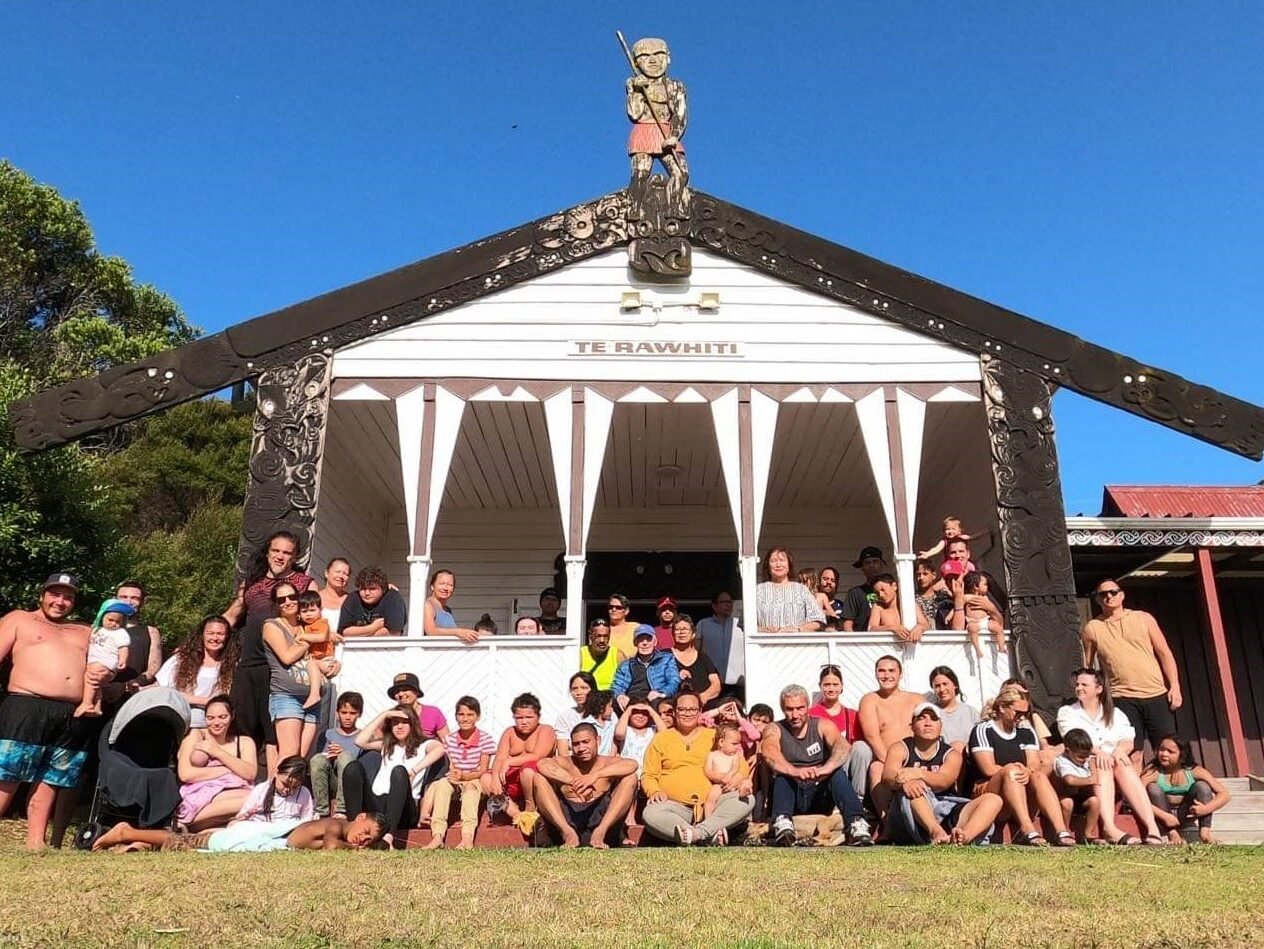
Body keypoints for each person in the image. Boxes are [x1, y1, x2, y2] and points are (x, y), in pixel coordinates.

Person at [0, 573, 101, 850]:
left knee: (52, 778)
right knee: (7, 776)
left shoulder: (83, 631)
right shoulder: (20, 619)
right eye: (55, 594)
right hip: (26, 705)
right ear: (42, 595)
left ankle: (36, 842)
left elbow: (106, 664)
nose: (60, 601)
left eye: (67, 597)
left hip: (72, 712)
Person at [225, 531, 316, 772]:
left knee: (273, 731)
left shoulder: (304, 583)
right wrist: (196, 639)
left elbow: (314, 620)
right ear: (267, 552)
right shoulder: (252, 583)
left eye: (286, 553)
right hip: (249, 663)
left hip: (280, 666)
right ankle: (244, 780)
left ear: (294, 557)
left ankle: (272, 786)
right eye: (276, 550)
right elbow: (232, 615)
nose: (280, 556)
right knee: (243, 723)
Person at [1056, 667, 1166, 845]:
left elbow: (1128, 738)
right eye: (1077, 684)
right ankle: (1109, 827)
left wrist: (1119, 750)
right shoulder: (1068, 712)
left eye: (1084, 684)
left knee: (1123, 764)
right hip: (1083, 763)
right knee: (1103, 764)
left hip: (1114, 762)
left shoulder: (1115, 713)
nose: (1079, 688)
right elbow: (1073, 739)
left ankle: (1152, 828)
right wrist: (1099, 751)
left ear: (1099, 689)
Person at [1081, 578, 1182, 763]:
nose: (1109, 597)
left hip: (1156, 693)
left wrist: (1175, 686)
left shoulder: (1143, 618)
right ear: (1097, 600)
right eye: (1103, 594)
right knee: (1132, 751)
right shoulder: (1092, 628)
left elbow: (1164, 653)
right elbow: (1087, 667)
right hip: (1121, 697)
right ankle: (1135, 792)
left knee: (1167, 748)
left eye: (1113, 592)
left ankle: (1172, 789)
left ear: (1122, 595)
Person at [761, 684, 873, 847]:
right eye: (790, 709)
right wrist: (794, 771)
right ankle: (782, 823)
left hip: (818, 790)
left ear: (808, 707)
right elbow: (768, 750)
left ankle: (857, 823)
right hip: (791, 793)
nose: (795, 714)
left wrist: (825, 769)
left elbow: (841, 745)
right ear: (782, 709)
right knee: (782, 777)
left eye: (800, 708)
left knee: (836, 774)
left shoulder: (821, 725)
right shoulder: (775, 728)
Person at [641, 690, 754, 846]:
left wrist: (738, 777)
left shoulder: (714, 735)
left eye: (693, 709)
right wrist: (654, 791)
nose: (688, 713)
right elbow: (648, 775)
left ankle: (698, 833)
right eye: (682, 709)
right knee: (651, 813)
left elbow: (740, 761)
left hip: (715, 804)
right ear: (674, 712)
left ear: (700, 711)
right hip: (675, 808)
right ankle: (708, 833)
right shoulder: (661, 739)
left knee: (746, 800)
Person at [881, 702, 1003, 845]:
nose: (928, 723)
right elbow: (887, 775)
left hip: (946, 805)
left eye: (933, 719)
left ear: (941, 726)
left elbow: (944, 781)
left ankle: (964, 837)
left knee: (993, 799)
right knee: (916, 788)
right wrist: (904, 782)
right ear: (912, 726)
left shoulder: (951, 754)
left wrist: (918, 773)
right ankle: (936, 832)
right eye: (921, 718)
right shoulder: (900, 748)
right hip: (911, 812)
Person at [966, 684, 1074, 846]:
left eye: (1025, 713)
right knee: (1011, 771)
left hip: (1019, 788)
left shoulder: (1026, 731)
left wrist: (1027, 770)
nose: (1022, 717)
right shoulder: (984, 730)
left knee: (1038, 775)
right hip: (990, 792)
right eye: (1018, 712)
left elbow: (1033, 764)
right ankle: (1026, 828)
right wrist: (1016, 769)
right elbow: (987, 768)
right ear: (1002, 707)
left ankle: (1060, 829)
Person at [342, 705, 445, 843]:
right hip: (378, 805)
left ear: (412, 724)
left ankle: (388, 837)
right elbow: (359, 741)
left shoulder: (424, 744)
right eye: (395, 723)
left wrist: (414, 771)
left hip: (404, 809)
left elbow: (440, 749)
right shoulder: (387, 745)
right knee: (352, 768)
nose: (399, 727)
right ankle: (352, 827)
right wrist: (384, 714)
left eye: (404, 722)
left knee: (399, 771)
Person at [534, 723, 639, 848]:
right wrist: (573, 781)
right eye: (576, 744)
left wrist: (596, 775)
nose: (581, 748)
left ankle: (601, 832)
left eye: (586, 742)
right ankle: (568, 833)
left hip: (601, 820)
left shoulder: (608, 762)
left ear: (597, 740)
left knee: (631, 778)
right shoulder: (565, 762)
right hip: (568, 820)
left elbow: (632, 765)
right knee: (539, 778)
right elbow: (542, 764)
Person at [93, 812, 387, 853]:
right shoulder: (337, 823)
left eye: (369, 839)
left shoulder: (339, 828)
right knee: (192, 841)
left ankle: (139, 843)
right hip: (259, 836)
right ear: (359, 817)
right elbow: (332, 849)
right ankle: (127, 832)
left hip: (268, 839)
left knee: (194, 843)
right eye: (366, 830)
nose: (363, 838)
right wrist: (358, 850)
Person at [175, 695, 258, 831]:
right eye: (210, 718)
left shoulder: (244, 742)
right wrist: (227, 770)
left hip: (231, 796)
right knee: (250, 800)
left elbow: (250, 773)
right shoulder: (196, 735)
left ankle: (191, 825)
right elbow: (186, 774)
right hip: (201, 795)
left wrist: (217, 751)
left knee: (255, 798)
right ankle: (186, 820)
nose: (216, 722)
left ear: (232, 716)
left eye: (222, 717)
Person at [262, 582, 323, 766]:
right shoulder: (272, 626)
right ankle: (273, 793)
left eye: (292, 597)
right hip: (287, 696)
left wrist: (331, 665)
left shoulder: (308, 623)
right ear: (276, 604)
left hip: (314, 699)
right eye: (281, 599)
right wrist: (308, 640)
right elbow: (287, 657)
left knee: (300, 760)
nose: (288, 602)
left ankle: (292, 795)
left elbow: (326, 644)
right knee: (288, 756)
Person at [426, 695, 496, 850]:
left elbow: (483, 770)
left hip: (475, 779)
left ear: (477, 716)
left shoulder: (485, 739)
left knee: (470, 789)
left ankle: (467, 837)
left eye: (470, 715)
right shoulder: (449, 739)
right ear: (456, 717)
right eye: (461, 714)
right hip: (456, 777)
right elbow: (451, 764)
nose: (465, 719)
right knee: (442, 786)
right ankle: (437, 836)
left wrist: (464, 776)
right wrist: (455, 775)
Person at [481, 693, 555, 832]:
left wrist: (511, 761)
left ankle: (530, 807)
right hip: (511, 781)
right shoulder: (510, 732)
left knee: (527, 770)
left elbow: (538, 755)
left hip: (534, 782)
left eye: (529, 717)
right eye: (519, 718)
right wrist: (496, 778)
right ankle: (518, 816)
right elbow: (500, 758)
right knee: (486, 778)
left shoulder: (545, 730)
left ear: (538, 716)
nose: (524, 722)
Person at [857, 655, 922, 806]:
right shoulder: (870, 700)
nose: (887, 675)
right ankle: (887, 821)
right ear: (875, 674)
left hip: (916, 758)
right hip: (885, 759)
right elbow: (872, 737)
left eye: (891, 670)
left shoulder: (917, 699)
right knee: (876, 768)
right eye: (882, 671)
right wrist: (892, 767)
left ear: (900, 673)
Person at [154, 616, 241, 729]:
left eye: (220, 634)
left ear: (227, 637)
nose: (215, 638)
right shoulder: (180, 659)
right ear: (202, 635)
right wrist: (205, 701)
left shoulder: (233, 665)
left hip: (214, 722)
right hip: (180, 715)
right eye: (210, 633)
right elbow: (163, 690)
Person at [1143, 735, 1231, 844]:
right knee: (1153, 788)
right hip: (1161, 816)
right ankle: (1172, 834)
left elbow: (1225, 794)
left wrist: (1205, 809)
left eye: (1170, 751)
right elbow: (1135, 798)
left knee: (1203, 786)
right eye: (1161, 749)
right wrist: (1164, 816)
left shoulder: (1194, 771)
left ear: (1182, 755)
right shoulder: (1153, 772)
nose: (1164, 754)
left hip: (1185, 813)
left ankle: (1205, 833)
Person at [807, 665, 869, 798]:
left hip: (849, 766)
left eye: (835, 684)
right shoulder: (811, 714)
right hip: (823, 764)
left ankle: (858, 798)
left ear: (841, 686)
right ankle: (838, 798)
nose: (831, 689)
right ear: (820, 686)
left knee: (861, 748)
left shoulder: (852, 715)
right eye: (827, 684)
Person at [76, 598, 134, 717]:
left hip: (106, 662)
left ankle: (86, 703)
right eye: (110, 620)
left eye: (118, 622)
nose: (114, 624)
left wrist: (123, 660)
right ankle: (97, 707)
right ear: (102, 617)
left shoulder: (120, 633)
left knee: (90, 679)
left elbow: (123, 648)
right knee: (97, 685)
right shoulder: (98, 630)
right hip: (95, 661)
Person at [311, 691, 365, 818]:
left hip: (351, 784)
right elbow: (319, 764)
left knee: (345, 757)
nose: (347, 717)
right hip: (331, 780)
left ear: (359, 714)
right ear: (337, 713)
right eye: (344, 712)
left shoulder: (363, 737)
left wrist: (343, 754)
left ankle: (342, 810)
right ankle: (320, 810)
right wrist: (329, 755)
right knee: (317, 759)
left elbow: (362, 768)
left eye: (352, 713)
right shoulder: (327, 734)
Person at [109, 581, 164, 703]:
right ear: (115, 599)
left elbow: (154, 667)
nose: (128, 602)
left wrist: (134, 684)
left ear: (142, 603)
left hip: (136, 695)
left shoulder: (151, 632)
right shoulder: (99, 629)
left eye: (134, 598)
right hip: (101, 694)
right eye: (123, 597)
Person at [756, 546, 825, 632]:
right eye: (773, 561)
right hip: (763, 644)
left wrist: (797, 630)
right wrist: (761, 629)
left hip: (795, 644)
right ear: (768, 566)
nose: (778, 564)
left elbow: (819, 621)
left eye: (782, 560)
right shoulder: (758, 591)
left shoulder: (801, 590)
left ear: (789, 564)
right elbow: (744, 623)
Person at [611, 625, 680, 711]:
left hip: (654, 698)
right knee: (615, 704)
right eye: (640, 639)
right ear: (635, 643)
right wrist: (619, 695)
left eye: (648, 639)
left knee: (658, 703)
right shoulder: (626, 665)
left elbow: (674, 681)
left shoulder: (666, 659)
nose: (645, 643)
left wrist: (661, 693)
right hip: (632, 699)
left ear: (654, 642)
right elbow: (616, 686)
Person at [232, 755, 316, 824]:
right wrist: (241, 818)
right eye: (285, 784)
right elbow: (243, 815)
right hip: (260, 827)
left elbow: (306, 819)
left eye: (294, 787)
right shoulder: (262, 789)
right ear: (276, 773)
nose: (288, 790)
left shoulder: (304, 793)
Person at [1054, 729, 1102, 843]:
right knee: (1067, 803)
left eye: (1087, 755)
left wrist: (1092, 770)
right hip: (1065, 795)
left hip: (1081, 797)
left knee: (1095, 801)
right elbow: (1069, 780)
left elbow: (1095, 778)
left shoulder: (1088, 760)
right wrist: (1091, 779)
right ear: (1068, 751)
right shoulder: (1062, 761)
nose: (1084, 759)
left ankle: (1088, 834)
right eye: (1080, 756)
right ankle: (1064, 831)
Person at [696, 591, 745, 698]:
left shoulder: (740, 625)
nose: (728, 605)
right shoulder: (703, 624)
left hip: (736, 682)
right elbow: (696, 650)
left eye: (730, 602)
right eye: (723, 602)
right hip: (711, 682)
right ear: (714, 606)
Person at [340, 565, 407, 637]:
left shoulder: (393, 599)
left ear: (383, 589)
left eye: (372, 589)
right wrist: (373, 628)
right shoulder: (353, 598)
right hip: (355, 648)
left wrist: (360, 634)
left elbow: (393, 633)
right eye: (363, 589)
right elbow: (345, 632)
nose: (367, 593)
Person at [296, 589, 336, 709]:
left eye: (312, 610)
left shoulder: (321, 623)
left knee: (311, 665)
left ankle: (314, 695)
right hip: (318, 660)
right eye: (304, 611)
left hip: (325, 659)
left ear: (320, 610)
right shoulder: (305, 626)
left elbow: (322, 637)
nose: (308, 614)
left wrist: (303, 636)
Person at [702, 724, 751, 821]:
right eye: (734, 744)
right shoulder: (712, 755)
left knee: (746, 782)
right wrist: (719, 777)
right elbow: (708, 771)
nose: (738, 747)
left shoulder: (735, 756)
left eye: (739, 743)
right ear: (721, 742)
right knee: (711, 797)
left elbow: (735, 767)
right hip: (718, 784)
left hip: (733, 781)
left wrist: (730, 776)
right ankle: (708, 818)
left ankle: (743, 791)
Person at [670, 615, 722, 705]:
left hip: (703, 707)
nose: (681, 632)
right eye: (677, 629)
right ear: (673, 634)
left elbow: (716, 685)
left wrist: (700, 699)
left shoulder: (703, 657)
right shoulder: (664, 656)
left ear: (693, 634)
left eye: (685, 629)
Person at [418, 568, 479, 642]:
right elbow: (431, 631)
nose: (446, 588)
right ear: (432, 586)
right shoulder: (428, 605)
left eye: (450, 585)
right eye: (442, 584)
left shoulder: (447, 610)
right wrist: (458, 632)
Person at [952, 572, 1006, 657]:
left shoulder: (985, 598)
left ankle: (1002, 647)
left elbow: (999, 621)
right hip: (973, 621)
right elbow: (959, 603)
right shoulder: (967, 597)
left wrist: (991, 608)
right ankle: (977, 649)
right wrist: (951, 614)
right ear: (976, 587)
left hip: (985, 620)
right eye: (985, 584)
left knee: (998, 628)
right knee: (972, 629)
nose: (987, 587)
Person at [928, 665, 979, 750]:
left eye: (945, 684)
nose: (942, 689)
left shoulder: (971, 712)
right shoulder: (930, 713)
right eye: (937, 686)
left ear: (955, 685)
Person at [867, 574, 928, 643]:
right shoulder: (878, 607)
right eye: (877, 593)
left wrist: (919, 628)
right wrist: (893, 628)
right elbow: (871, 628)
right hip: (889, 649)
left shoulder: (908, 603)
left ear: (894, 586)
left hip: (912, 647)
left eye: (883, 590)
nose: (881, 595)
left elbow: (924, 623)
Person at [841, 546, 886, 631]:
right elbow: (847, 623)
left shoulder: (893, 590)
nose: (871, 566)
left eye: (875, 562)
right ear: (862, 568)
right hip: (862, 641)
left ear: (881, 564)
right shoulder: (854, 593)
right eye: (867, 563)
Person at [555, 672, 598, 755]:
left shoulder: (604, 714)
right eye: (574, 689)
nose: (579, 693)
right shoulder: (564, 717)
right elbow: (563, 753)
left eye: (584, 688)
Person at [579, 618, 623, 691]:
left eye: (605, 636)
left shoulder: (617, 655)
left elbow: (625, 682)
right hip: (588, 697)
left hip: (609, 697)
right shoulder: (581, 654)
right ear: (590, 635)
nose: (602, 640)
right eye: (598, 636)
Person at [918, 516, 984, 562]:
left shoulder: (962, 537)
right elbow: (936, 549)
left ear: (959, 531)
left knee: (971, 567)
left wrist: (983, 532)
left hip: (963, 561)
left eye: (953, 529)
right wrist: (928, 554)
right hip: (951, 563)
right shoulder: (944, 541)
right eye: (947, 529)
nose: (950, 531)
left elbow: (973, 537)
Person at [913, 559, 953, 631]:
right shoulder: (912, 599)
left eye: (925, 574)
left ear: (933, 575)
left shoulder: (943, 598)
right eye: (918, 574)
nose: (921, 578)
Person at [580, 690, 618, 756]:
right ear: (601, 707)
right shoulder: (586, 724)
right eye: (610, 706)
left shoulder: (612, 719)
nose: (612, 709)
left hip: (610, 759)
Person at [318, 558, 352, 628]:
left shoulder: (351, 600)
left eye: (345, 574)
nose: (341, 576)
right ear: (326, 573)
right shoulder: (316, 598)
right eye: (337, 571)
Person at [607, 594, 639, 658]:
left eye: (618, 607)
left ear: (626, 611)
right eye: (611, 607)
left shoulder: (636, 628)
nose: (613, 609)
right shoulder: (602, 629)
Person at [817, 568, 845, 632]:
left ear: (837, 585)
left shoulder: (843, 606)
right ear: (818, 582)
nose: (829, 582)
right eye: (825, 579)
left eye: (833, 580)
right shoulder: (810, 603)